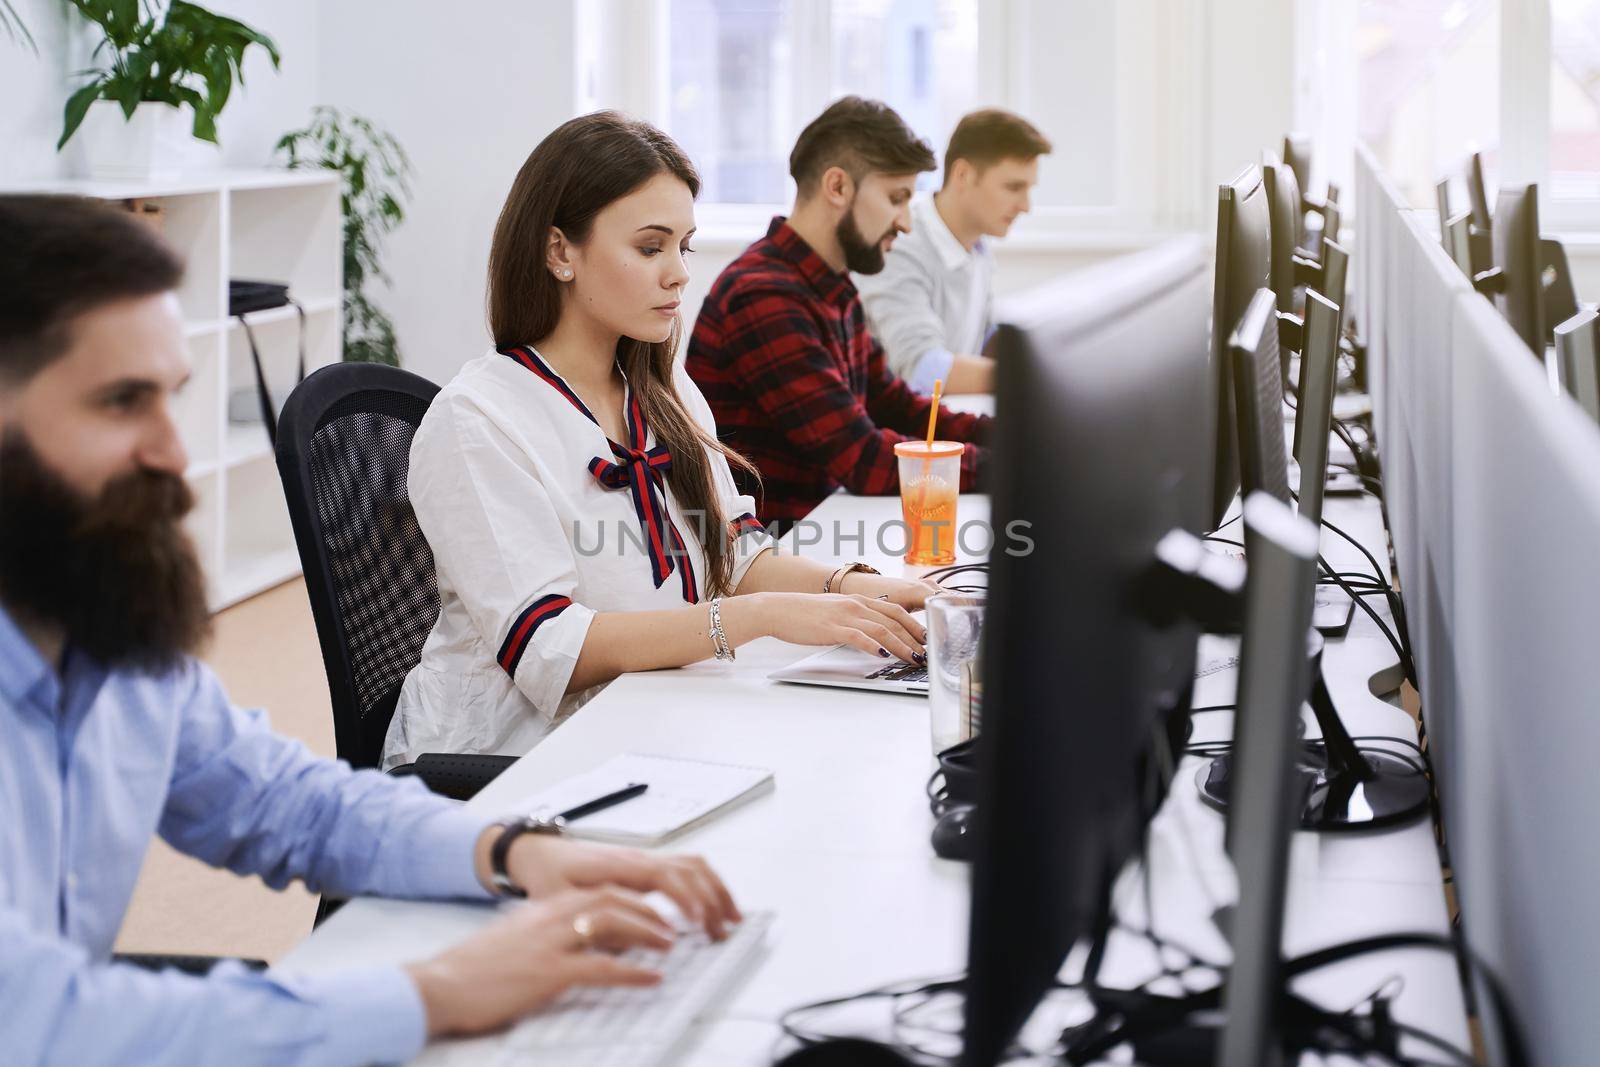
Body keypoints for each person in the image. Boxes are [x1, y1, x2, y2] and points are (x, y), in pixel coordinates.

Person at [0, 194, 743, 1067]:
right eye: (122, 401)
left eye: (173, 398)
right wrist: (440, 992)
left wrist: (513, 851)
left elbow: (284, 803)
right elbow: (36, 1020)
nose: (176, 454)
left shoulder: (98, 628)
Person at [385, 111, 939, 771]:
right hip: (509, 761)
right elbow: (550, 646)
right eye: (651, 247)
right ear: (560, 251)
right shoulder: (477, 420)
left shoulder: (658, 381)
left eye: (685, 246)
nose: (678, 273)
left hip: (651, 713)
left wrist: (855, 589)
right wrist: (759, 617)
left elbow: (729, 556)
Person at [686, 96, 992, 530]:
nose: (906, 223)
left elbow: (898, 407)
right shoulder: (762, 295)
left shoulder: (832, 289)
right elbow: (863, 459)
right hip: (775, 552)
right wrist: (1006, 466)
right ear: (837, 187)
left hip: (825, 532)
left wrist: (1011, 433)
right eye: (896, 198)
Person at [853, 108, 1051, 396]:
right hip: (904, 436)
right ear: (963, 175)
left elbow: (981, 342)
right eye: (1013, 187)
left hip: (947, 425)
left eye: (1029, 189)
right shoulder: (900, 246)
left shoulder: (977, 246)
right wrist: (1036, 378)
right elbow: (922, 369)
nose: (1026, 206)